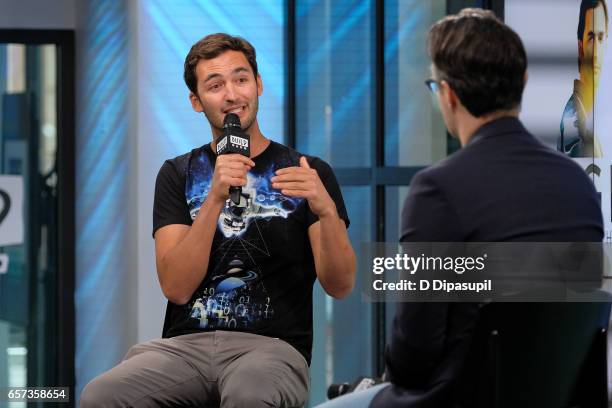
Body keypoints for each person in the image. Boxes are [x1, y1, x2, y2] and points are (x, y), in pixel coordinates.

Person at [316, 8, 603, 408]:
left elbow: (411, 358)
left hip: (456, 397)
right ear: (521, 81)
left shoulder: (438, 189)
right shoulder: (578, 185)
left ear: (447, 94)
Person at [80, 33, 356, 408]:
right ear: (196, 102)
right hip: (183, 349)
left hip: (271, 349)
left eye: (241, 79)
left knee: (248, 394)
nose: (231, 94)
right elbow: (176, 287)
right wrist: (214, 197)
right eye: (215, 85)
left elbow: (339, 285)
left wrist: (326, 210)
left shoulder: (307, 171)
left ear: (258, 85)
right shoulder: (178, 173)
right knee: (102, 395)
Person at [558, 0, 609, 157]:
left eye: (601, 38)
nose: (595, 52)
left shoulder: (594, 116)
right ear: (580, 48)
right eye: (591, 38)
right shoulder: (573, 123)